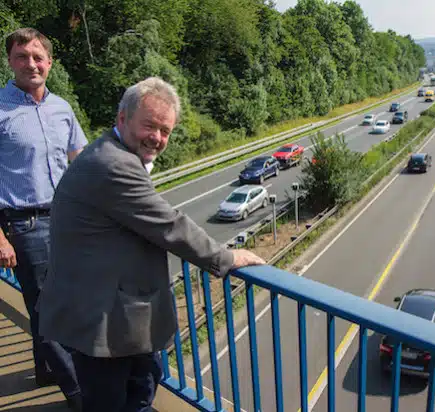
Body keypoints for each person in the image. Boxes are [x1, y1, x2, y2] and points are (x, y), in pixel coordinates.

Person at [38, 76, 266, 411]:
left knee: (143, 386)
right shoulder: (112, 164)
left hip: (110, 314)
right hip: (102, 325)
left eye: (165, 131)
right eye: (150, 126)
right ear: (122, 119)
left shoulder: (111, 153)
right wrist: (225, 257)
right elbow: (169, 224)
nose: (157, 138)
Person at [0, 28, 85, 410]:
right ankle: (82, 396)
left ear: (49, 63)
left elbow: (80, 161)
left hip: (67, 220)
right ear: (10, 61)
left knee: (49, 304)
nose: (31, 64)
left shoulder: (62, 108)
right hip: (25, 226)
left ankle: (46, 370)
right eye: (22, 56)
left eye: (38, 57)